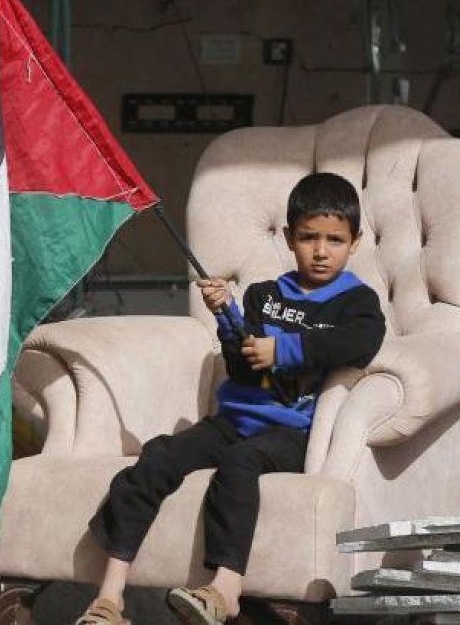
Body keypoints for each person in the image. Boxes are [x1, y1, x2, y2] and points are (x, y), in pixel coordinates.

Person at [76, 172, 386, 625]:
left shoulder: (356, 302)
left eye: (334, 240)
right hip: (234, 420)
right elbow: (242, 369)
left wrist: (283, 349)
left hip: (290, 431)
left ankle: (225, 590)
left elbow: (359, 343)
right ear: (289, 238)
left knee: (240, 463)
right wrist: (227, 316)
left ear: (354, 243)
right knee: (159, 455)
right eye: (309, 238)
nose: (321, 251)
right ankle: (109, 597)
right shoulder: (264, 295)